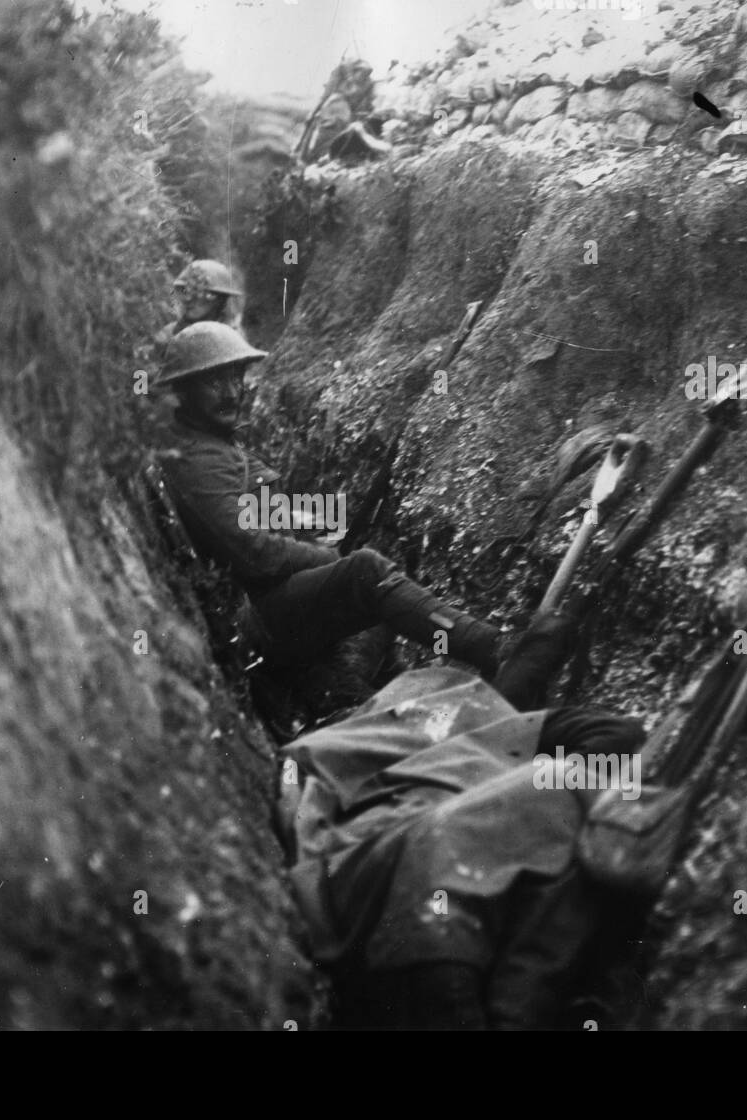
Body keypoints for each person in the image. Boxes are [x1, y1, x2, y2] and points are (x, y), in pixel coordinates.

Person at [154, 320, 576, 709]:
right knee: (365, 571)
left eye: (234, 376)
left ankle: (369, 701)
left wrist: (309, 523)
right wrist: (324, 559)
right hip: (252, 620)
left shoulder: (214, 442)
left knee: (376, 594)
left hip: (267, 606)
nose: (231, 392)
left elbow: (254, 514)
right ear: (184, 391)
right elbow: (254, 553)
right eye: (213, 380)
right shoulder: (195, 457)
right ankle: (493, 650)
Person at [279, 662, 647, 1030]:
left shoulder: (344, 749)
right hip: (437, 921)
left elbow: (298, 807)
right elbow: (618, 735)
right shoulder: (497, 744)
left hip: (397, 913)